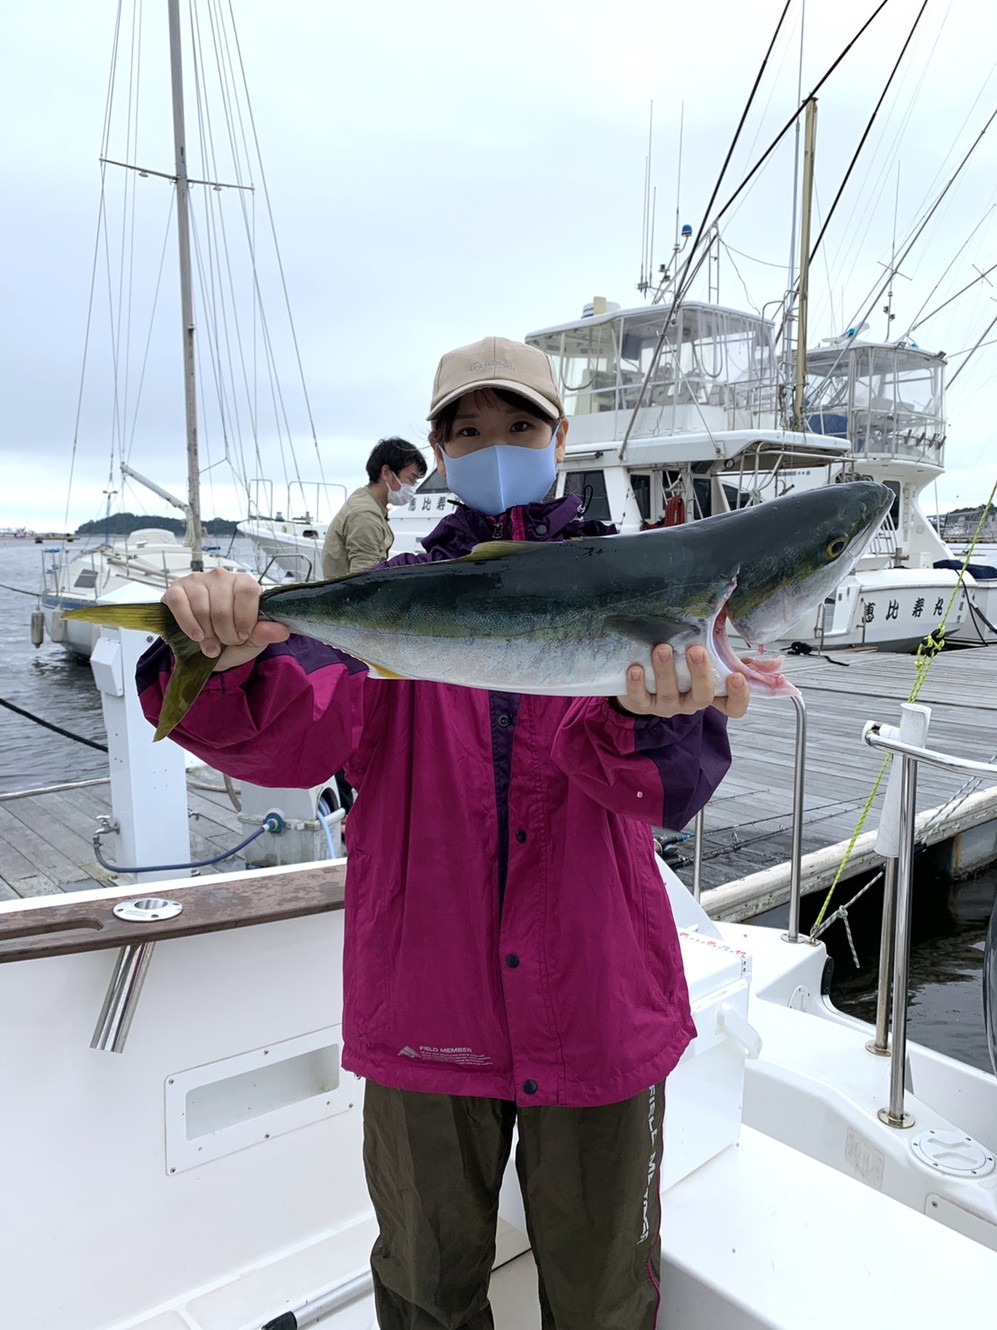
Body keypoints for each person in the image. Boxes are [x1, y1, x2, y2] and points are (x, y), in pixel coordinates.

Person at [136, 335, 751, 1330]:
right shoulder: (393, 607)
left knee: (603, 1302)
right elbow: (289, 733)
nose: (493, 444)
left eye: (518, 425)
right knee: (424, 1294)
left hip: (595, 1003)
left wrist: (655, 715)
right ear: (437, 449)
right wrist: (206, 652)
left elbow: (662, 793)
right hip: (427, 1001)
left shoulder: (640, 597)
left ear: (560, 436)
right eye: (468, 430)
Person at [321, 435, 427, 579]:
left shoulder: (366, 502)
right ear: (386, 473)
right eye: (411, 479)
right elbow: (363, 581)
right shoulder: (365, 515)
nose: (412, 487)